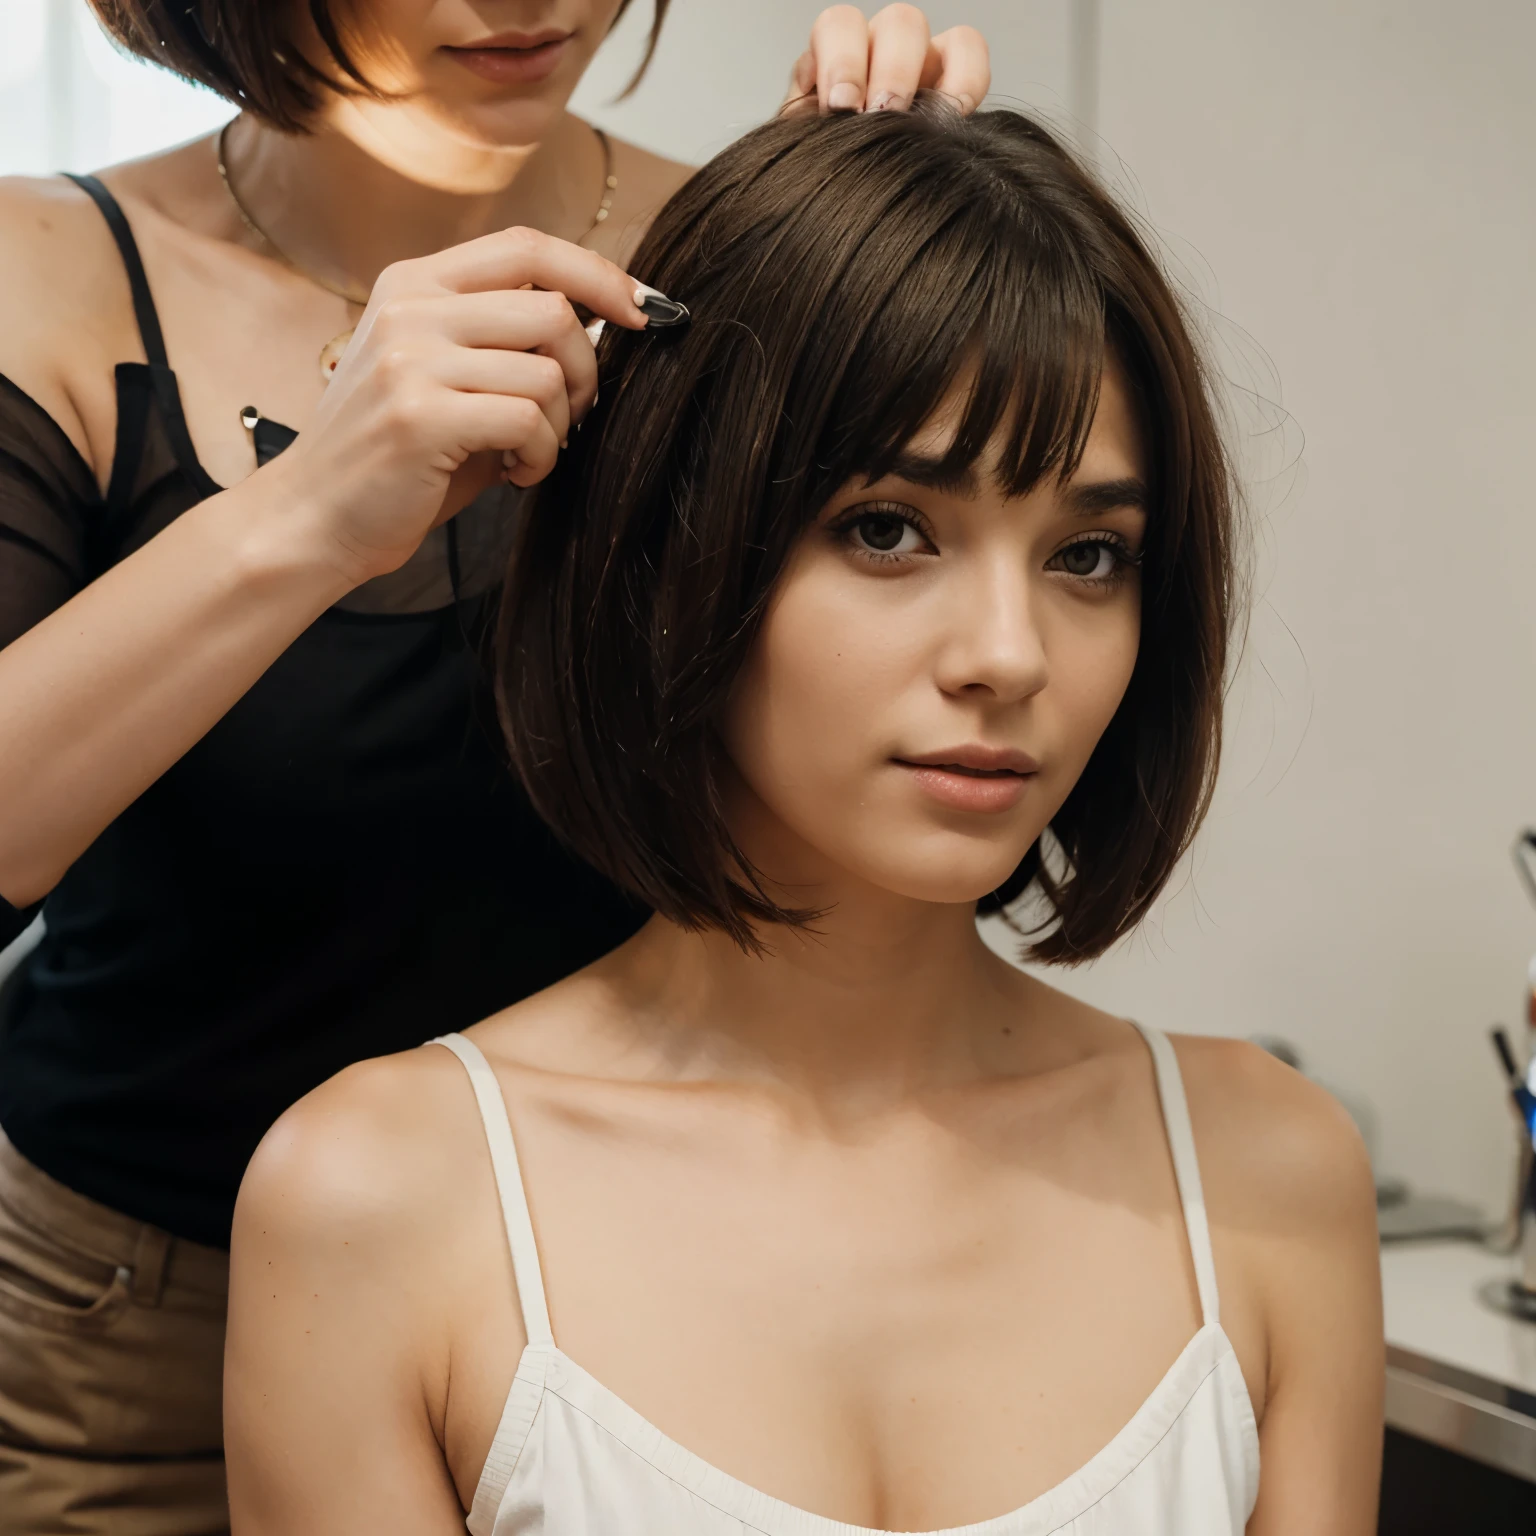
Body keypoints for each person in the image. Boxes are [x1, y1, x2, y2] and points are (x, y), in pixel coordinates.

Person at [225, 101, 1385, 1536]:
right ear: (670, 548)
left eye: (1091, 554)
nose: (1010, 654)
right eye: (888, 528)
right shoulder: (379, 1200)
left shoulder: (1271, 1172)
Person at [0, 3, 992, 1531]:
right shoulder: (48, 274)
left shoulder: (723, 271)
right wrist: (308, 515)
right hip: (139, 1337)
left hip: (640, 1296)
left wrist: (889, 242)